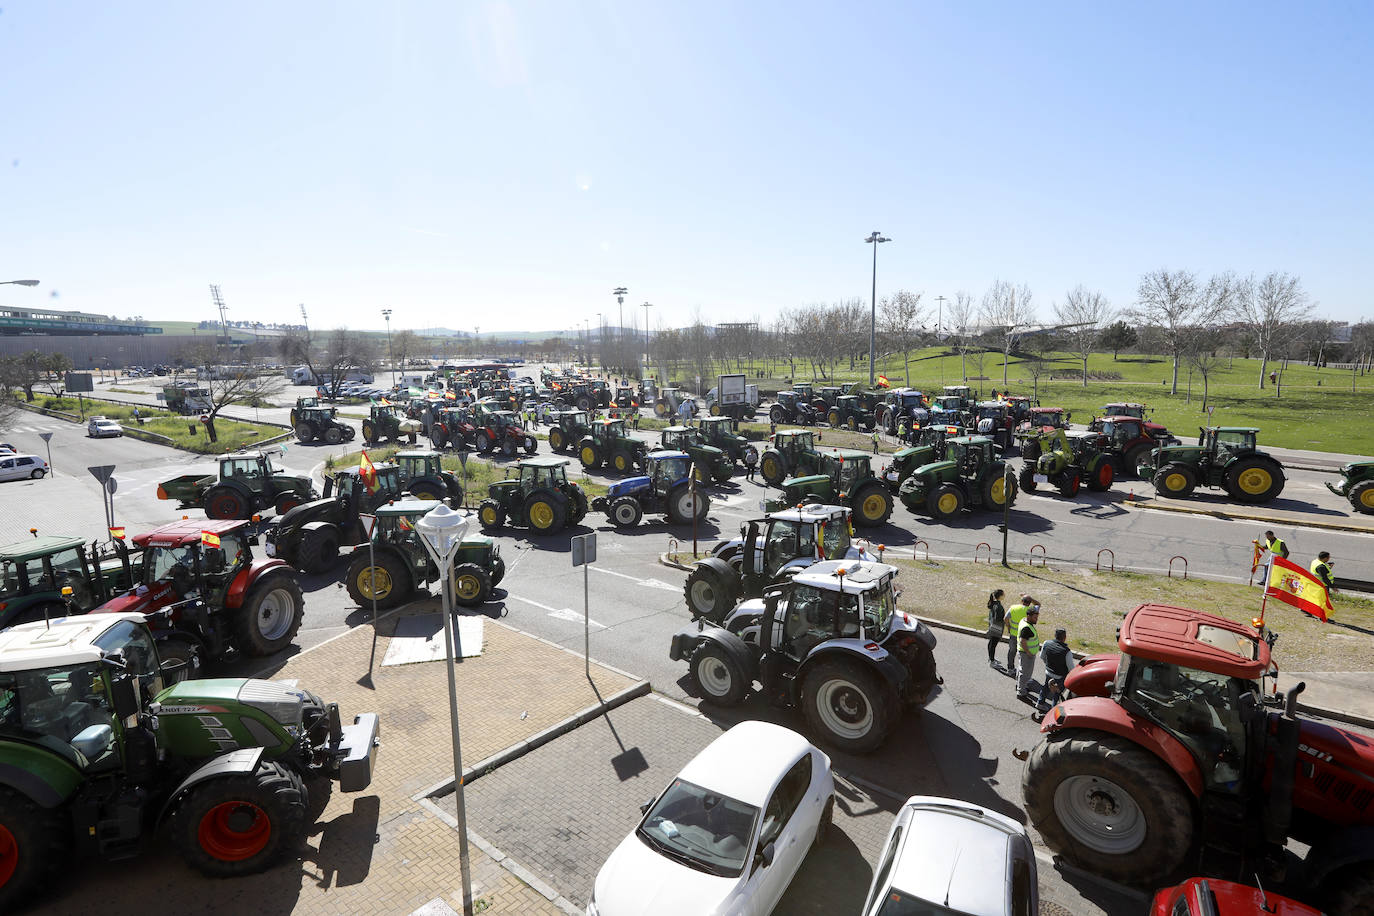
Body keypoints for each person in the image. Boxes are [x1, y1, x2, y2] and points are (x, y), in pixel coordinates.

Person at [1037, 627, 1076, 710]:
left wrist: (1048, 665)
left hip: (1048, 672)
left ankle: (1040, 703)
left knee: (1046, 687)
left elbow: (1042, 656)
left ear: (1055, 635)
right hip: (1060, 677)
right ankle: (1054, 711)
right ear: (1065, 637)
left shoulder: (1046, 643)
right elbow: (1071, 669)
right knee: (1057, 694)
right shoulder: (1067, 652)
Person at [1005, 594, 1037, 672]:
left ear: (1022, 601)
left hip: (1013, 634)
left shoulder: (1013, 608)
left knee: (1012, 651)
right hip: (1025, 636)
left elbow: (1005, 618)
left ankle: (1010, 668)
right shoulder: (1031, 610)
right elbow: (1038, 604)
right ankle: (1022, 671)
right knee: (1023, 654)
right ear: (1030, 602)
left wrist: (1009, 627)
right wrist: (1031, 599)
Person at [1016, 607, 1041, 701]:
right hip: (1026, 654)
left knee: (1021, 670)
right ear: (1028, 616)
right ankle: (1021, 692)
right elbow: (1023, 641)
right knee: (1025, 673)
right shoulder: (1026, 628)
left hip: (1023, 652)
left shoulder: (1024, 621)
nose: (1036, 619)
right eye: (1035, 617)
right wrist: (1028, 653)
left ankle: (1020, 686)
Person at [985, 589, 1006, 669]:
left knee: (991, 643)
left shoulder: (994, 604)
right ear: (1000, 596)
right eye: (1003, 594)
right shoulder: (998, 606)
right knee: (993, 644)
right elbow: (997, 618)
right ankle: (992, 661)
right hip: (996, 627)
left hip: (992, 626)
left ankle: (991, 658)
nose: (1004, 595)